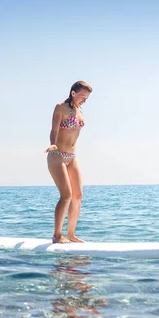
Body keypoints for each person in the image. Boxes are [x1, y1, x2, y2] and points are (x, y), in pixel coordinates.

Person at [45, 80, 92, 243]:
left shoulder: (79, 112)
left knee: (78, 196)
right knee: (66, 195)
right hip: (57, 154)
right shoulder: (60, 108)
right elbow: (54, 130)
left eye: (87, 98)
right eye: (82, 97)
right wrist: (52, 143)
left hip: (72, 157)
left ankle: (71, 234)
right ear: (73, 93)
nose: (84, 100)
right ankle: (57, 236)